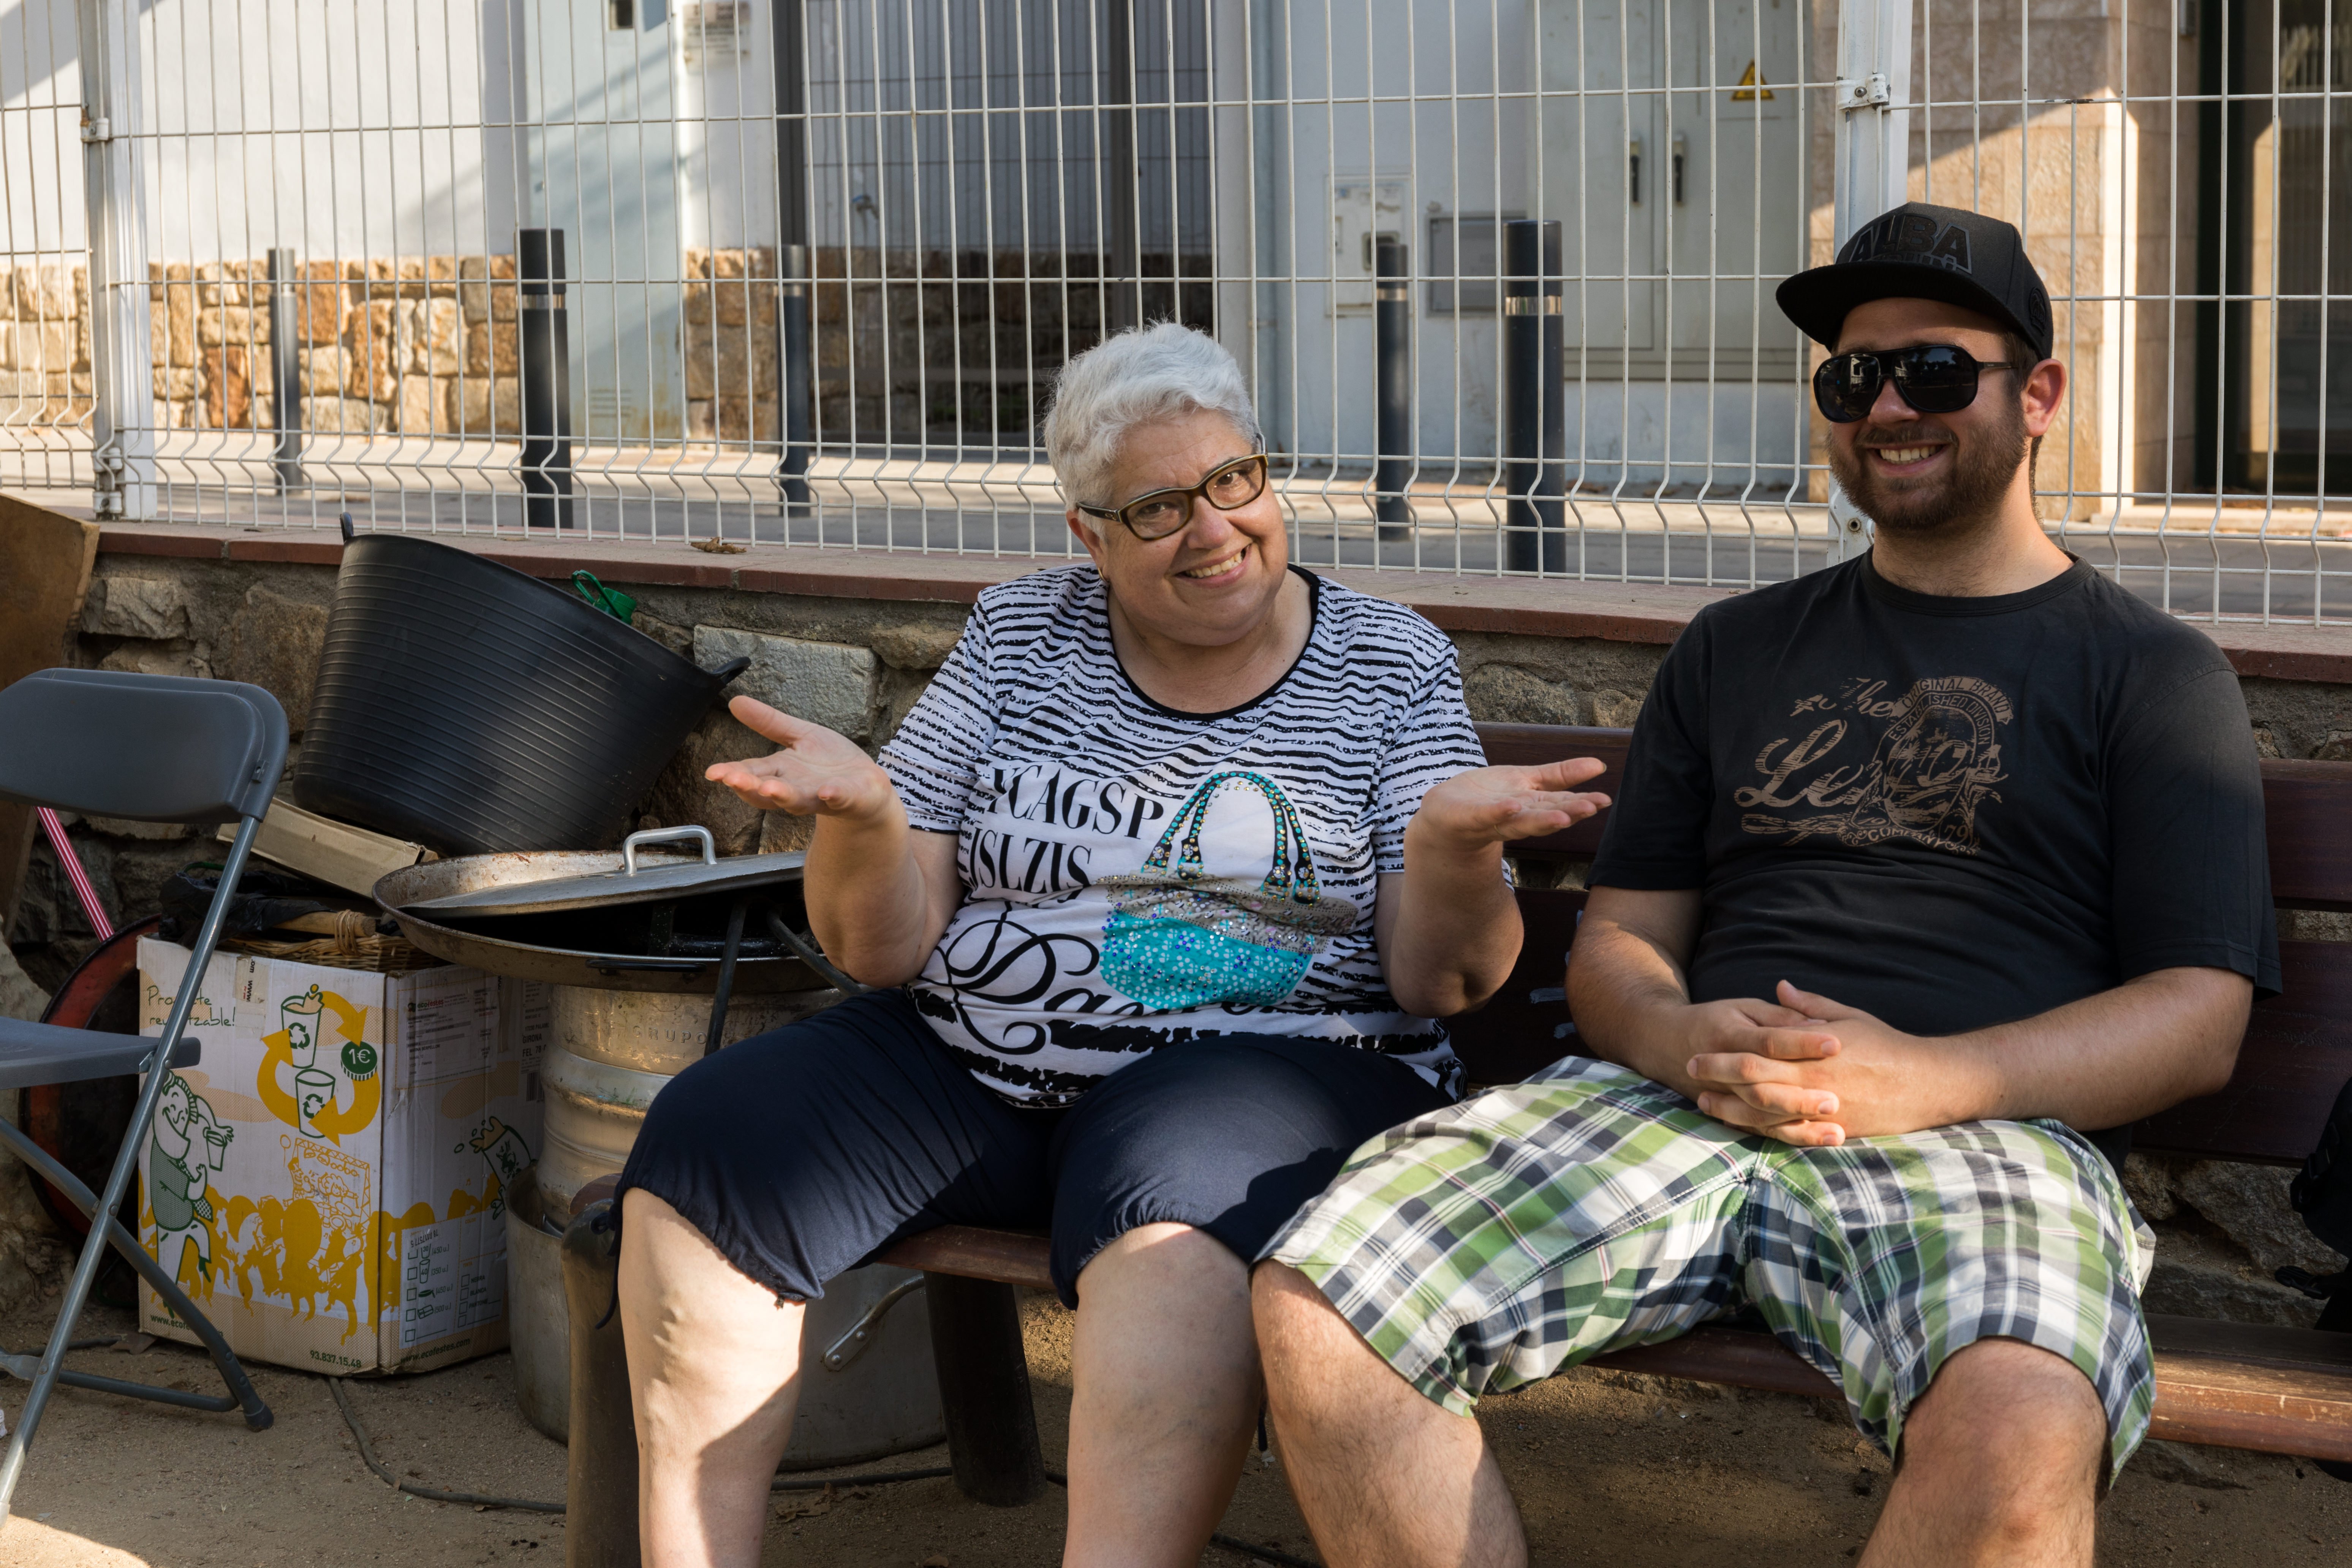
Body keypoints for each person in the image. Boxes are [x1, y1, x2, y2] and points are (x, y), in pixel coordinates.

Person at [1250, 201, 2281, 1568]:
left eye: (1935, 371)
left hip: (1984, 1134)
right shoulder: (1733, 648)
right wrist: (1675, 1036)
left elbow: (2200, 1020)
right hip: (1679, 1104)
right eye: (1853, 378)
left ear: (2037, 397)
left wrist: (1934, 1077)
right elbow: (1621, 942)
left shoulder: (2151, 674)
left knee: (2024, 1422)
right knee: (1323, 1299)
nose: (1888, 408)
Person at [612, 323, 1611, 1568]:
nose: (1215, 528)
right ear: (1089, 535)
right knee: (717, 1135)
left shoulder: (1388, 663)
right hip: (976, 1069)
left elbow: (1441, 980)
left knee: (1174, 1205)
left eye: (1235, 480)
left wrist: (1454, 854)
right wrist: (865, 825)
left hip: (1275, 1073)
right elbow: (883, 948)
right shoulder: (1018, 635)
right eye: (1157, 508)